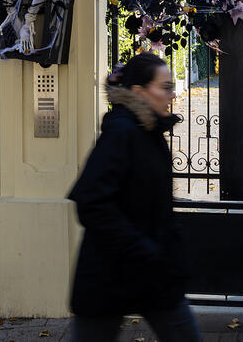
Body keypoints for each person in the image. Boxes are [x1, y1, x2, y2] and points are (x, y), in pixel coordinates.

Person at [68, 53, 201, 342]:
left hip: (153, 276)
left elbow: (158, 207)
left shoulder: (149, 131)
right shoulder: (121, 133)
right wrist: (141, 248)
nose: (172, 93)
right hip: (108, 277)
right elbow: (90, 201)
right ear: (140, 92)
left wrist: (171, 253)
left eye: (172, 85)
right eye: (165, 87)